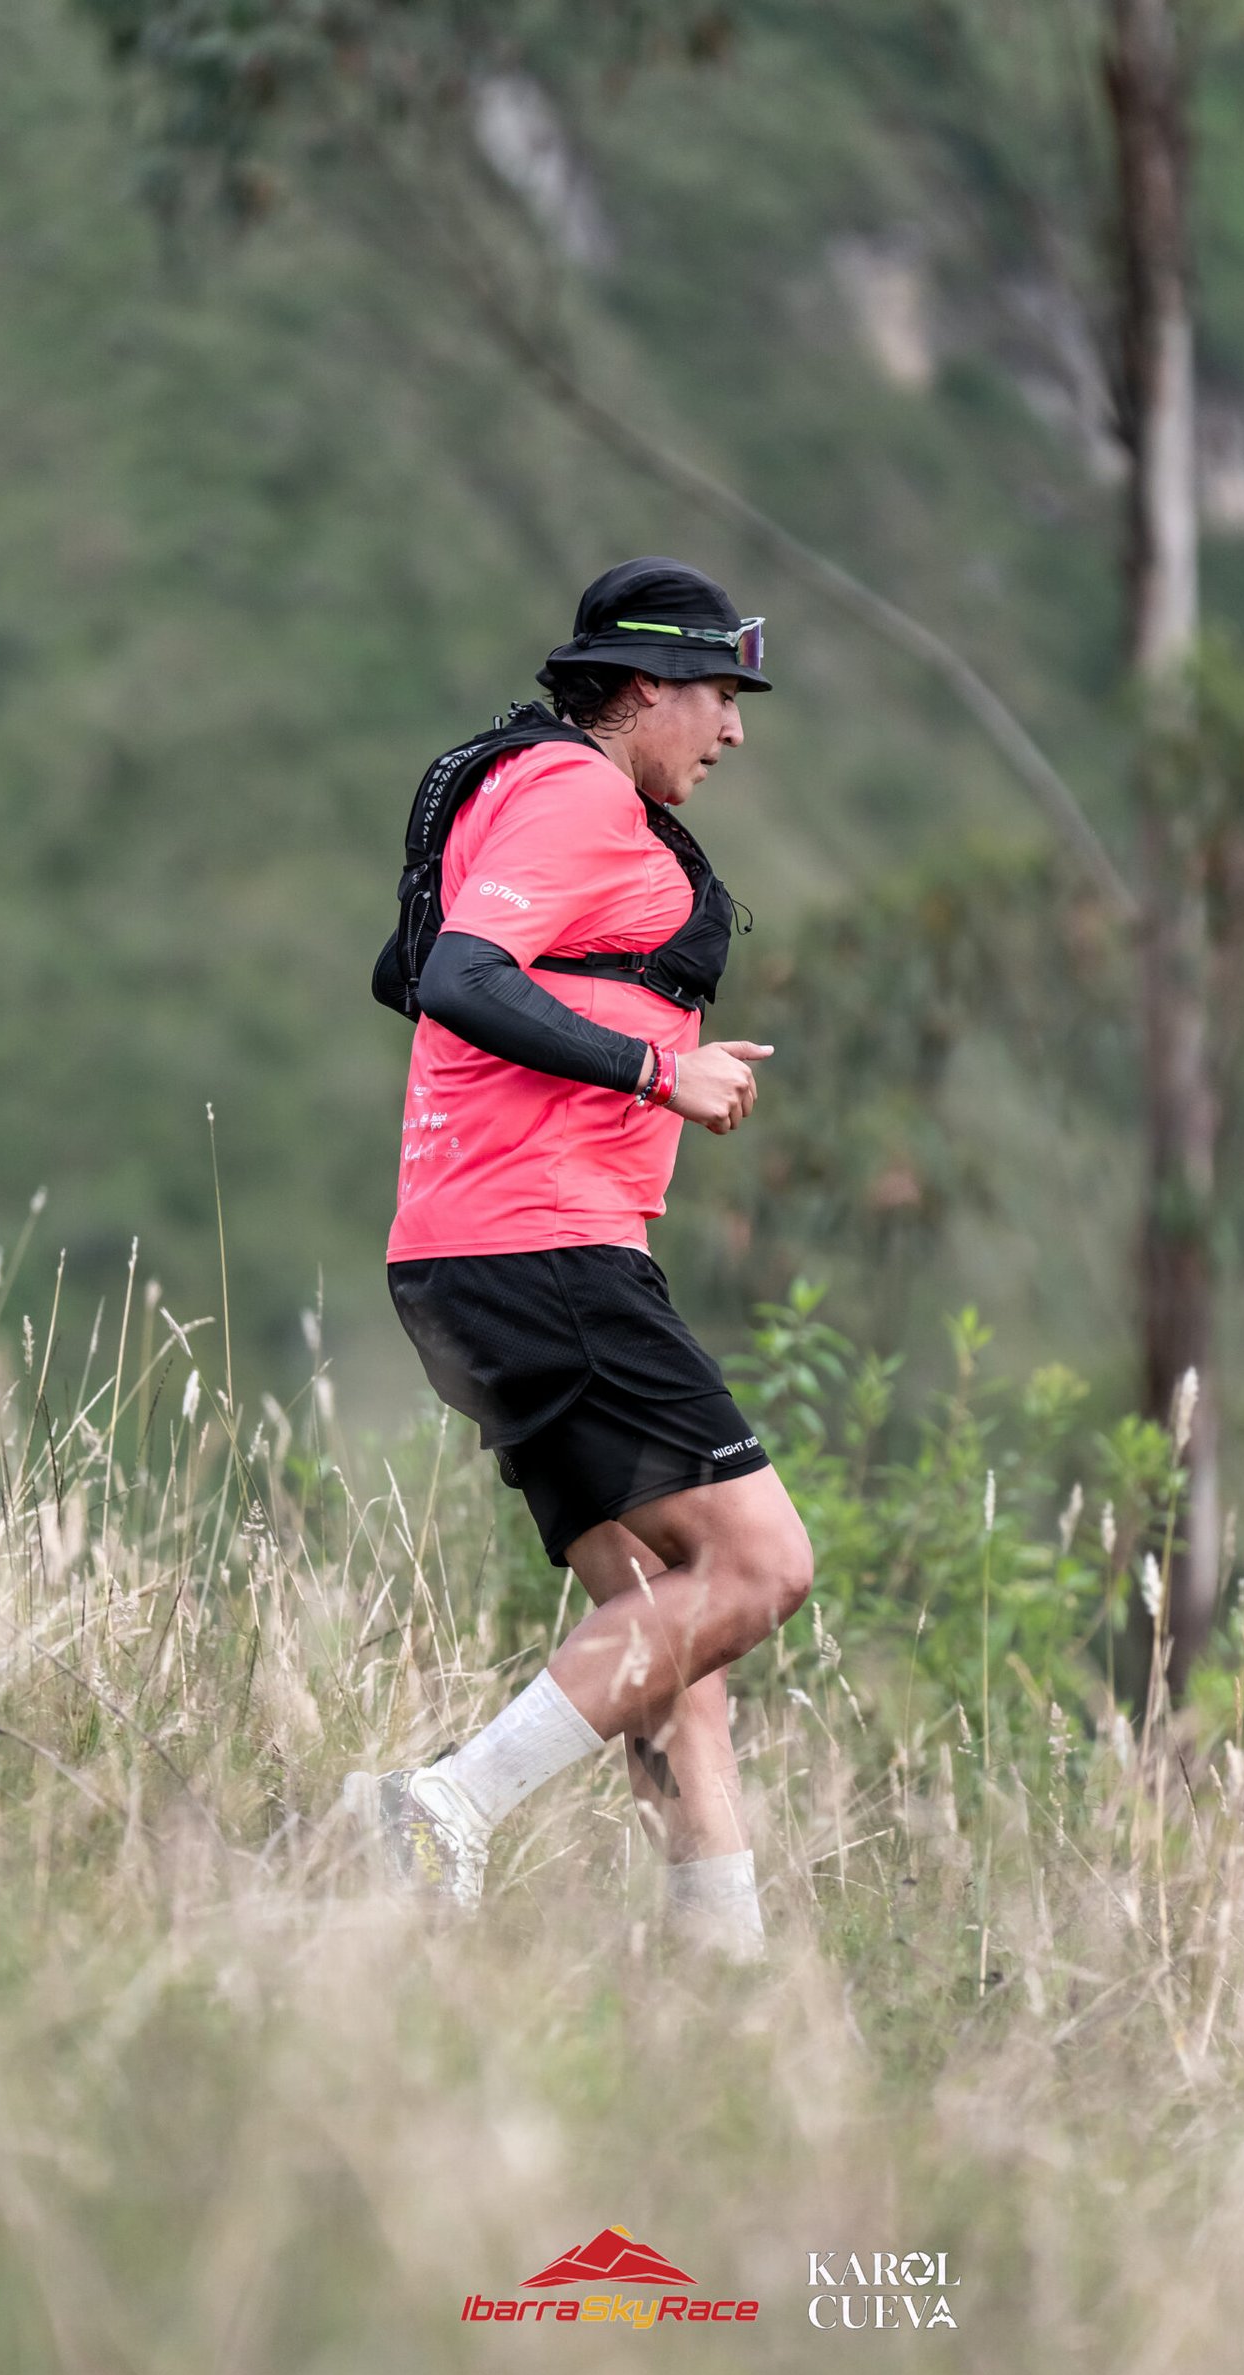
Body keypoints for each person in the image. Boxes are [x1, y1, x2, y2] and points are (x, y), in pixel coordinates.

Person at [344, 557, 814, 1959]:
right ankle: (446, 1805)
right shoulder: (572, 790)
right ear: (649, 687)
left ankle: (722, 1980)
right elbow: (459, 977)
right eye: (720, 696)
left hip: (472, 1256)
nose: (735, 731)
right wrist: (660, 1072)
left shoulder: (528, 789)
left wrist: (651, 1044)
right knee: (759, 1566)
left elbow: (453, 969)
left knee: (672, 1643)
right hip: (542, 1249)